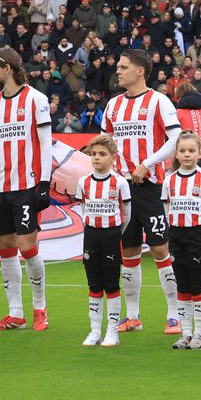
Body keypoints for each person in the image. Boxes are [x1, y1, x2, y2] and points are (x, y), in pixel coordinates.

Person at [101, 49, 182, 334]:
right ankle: (132, 315)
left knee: (160, 247)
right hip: (122, 188)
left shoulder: (159, 101)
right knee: (129, 250)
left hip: (152, 187)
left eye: (123, 67)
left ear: (139, 70)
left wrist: (147, 164)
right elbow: (107, 143)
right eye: (118, 66)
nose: (118, 70)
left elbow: (175, 140)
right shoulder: (112, 106)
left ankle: (175, 314)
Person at [0, 48, 53, 332]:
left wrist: (44, 183)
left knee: (27, 247)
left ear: (7, 68)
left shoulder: (36, 99)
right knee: (7, 246)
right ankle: (15, 313)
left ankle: (40, 309)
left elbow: (46, 142)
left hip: (26, 185)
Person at [161, 131, 201, 350]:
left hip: (198, 236)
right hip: (177, 236)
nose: (187, 155)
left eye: (191, 151)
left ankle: (200, 335)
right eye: (182, 151)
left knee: (197, 286)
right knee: (182, 286)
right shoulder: (169, 180)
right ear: (176, 153)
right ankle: (185, 333)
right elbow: (167, 209)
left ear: (200, 153)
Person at [74, 135, 131, 347]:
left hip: (111, 235)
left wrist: (115, 232)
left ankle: (112, 331)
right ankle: (95, 330)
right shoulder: (83, 182)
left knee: (111, 283)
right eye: (94, 154)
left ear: (113, 158)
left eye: (102, 154)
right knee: (94, 283)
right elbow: (82, 208)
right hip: (91, 235)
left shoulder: (120, 182)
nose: (97, 158)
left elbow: (127, 212)